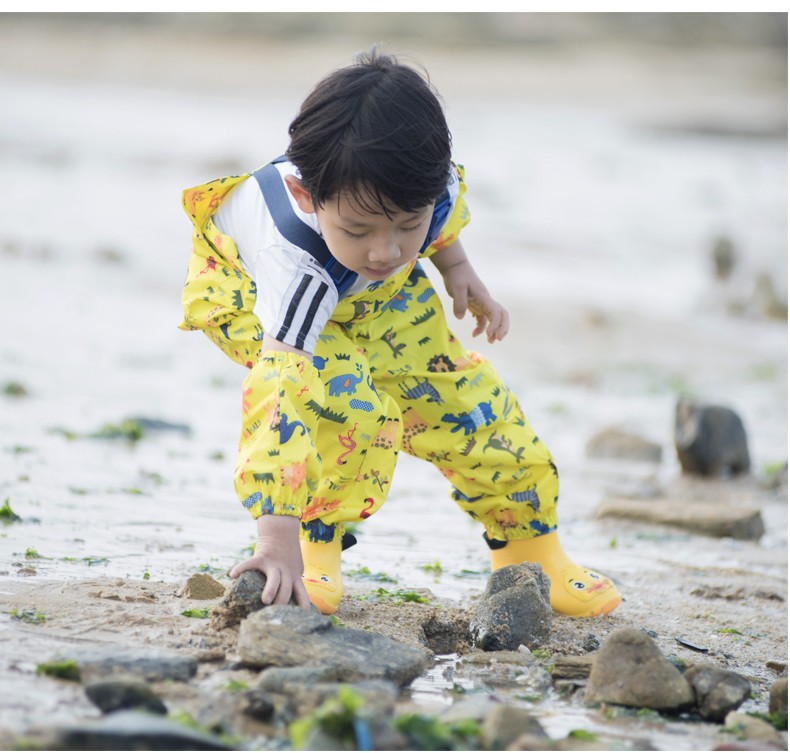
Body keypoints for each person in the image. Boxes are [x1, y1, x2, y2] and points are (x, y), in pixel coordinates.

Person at [179, 48, 621, 619]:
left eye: (406, 225)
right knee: (344, 401)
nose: (386, 249)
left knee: (474, 405)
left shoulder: (420, 188)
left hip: (372, 297)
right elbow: (279, 401)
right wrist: (274, 541)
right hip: (246, 294)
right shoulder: (293, 264)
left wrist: (458, 269)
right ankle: (314, 548)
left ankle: (533, 554)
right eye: (360, 228)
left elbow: (435, 217)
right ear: (306, 197)